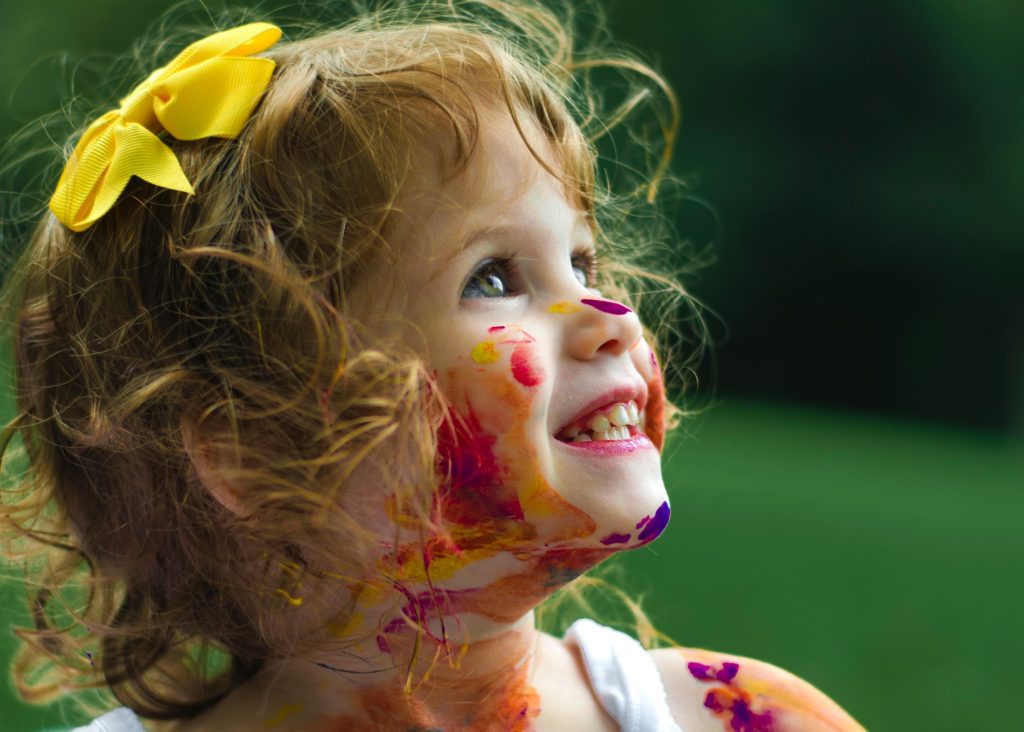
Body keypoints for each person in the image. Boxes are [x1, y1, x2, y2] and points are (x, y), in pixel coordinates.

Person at [0, 1, 867, 730]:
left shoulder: (735, 719)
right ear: (253, 450)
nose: (611, 318)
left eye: (584, 263)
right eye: (494, 278)